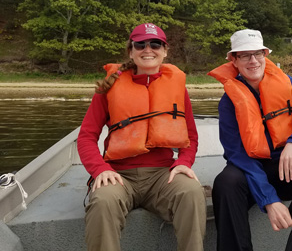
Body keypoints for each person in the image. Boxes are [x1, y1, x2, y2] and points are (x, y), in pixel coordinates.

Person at [77, 23, 206, 251]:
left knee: (192, 191)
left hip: (161, 176)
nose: (148, 49)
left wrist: (184, 162)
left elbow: (191, 137)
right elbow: (86, 136)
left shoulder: (177, 88)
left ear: (165, 51)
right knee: (103, 201)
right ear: (131, 51)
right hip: (118, 175)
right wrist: (100, 169)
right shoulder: (110, 87)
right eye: (140, 44)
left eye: (155, 44)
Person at [208, 29, 292, 251]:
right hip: (250, 171)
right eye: (244, 55)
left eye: (258, 54)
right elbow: (237, 154)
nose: (253, 61)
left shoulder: (290, 85)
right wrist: (269, 199)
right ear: (233, 60)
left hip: (286, 169)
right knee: (225, 183)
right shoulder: (228, 102)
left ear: (265, 55)